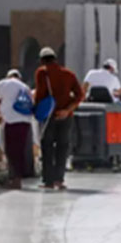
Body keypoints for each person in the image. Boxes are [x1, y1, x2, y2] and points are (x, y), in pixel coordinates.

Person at [34, 46, 84, 189]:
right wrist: (67, 110)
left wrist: (36, 111)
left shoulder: (42, 73)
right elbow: (80, 95)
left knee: (47, 147)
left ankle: (48, 181)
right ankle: (59, 180)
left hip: (49, 117)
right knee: (63, 147)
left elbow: (39, 95)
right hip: (65, 116)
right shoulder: (69, 74)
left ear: (42, 60)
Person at [0, 69, 33, 189]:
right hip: (25, 121)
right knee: (20, 150)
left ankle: (15, 178)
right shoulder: (25, 86)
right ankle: (18, 177)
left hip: (10, 121)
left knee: (11, 150)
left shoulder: (2, 83)